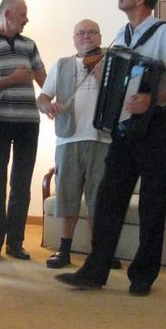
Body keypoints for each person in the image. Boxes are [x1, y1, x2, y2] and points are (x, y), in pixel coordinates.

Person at [56, 0, 166, 295]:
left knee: (152, 202)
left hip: (158, 124)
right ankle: (95, 270)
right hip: (125, 125)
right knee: (109, 197)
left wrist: (151, 99)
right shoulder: (121, 34)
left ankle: (143, 276)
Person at [37, 19, 111, 269]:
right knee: (67, 196)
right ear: (74, 39)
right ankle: (64, 250)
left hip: (103, 138)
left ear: (100, 37)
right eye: (81, 33)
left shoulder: (111, 63)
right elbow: (42, 98)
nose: (86, 36)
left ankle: (99, 253)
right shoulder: (62, 65)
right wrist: (48, 107)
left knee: (99, 200)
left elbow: (121, 95)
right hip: (68, 139)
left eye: (91, 32)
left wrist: (103, 76)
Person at [0, 0, 46, 261]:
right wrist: (12, 79)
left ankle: (15, 243)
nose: (27, 19)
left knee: (21, 184)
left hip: (29, 122)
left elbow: (45, 82)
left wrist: (56, 101)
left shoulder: (30, 45)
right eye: (23, 14)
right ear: (7, 14)